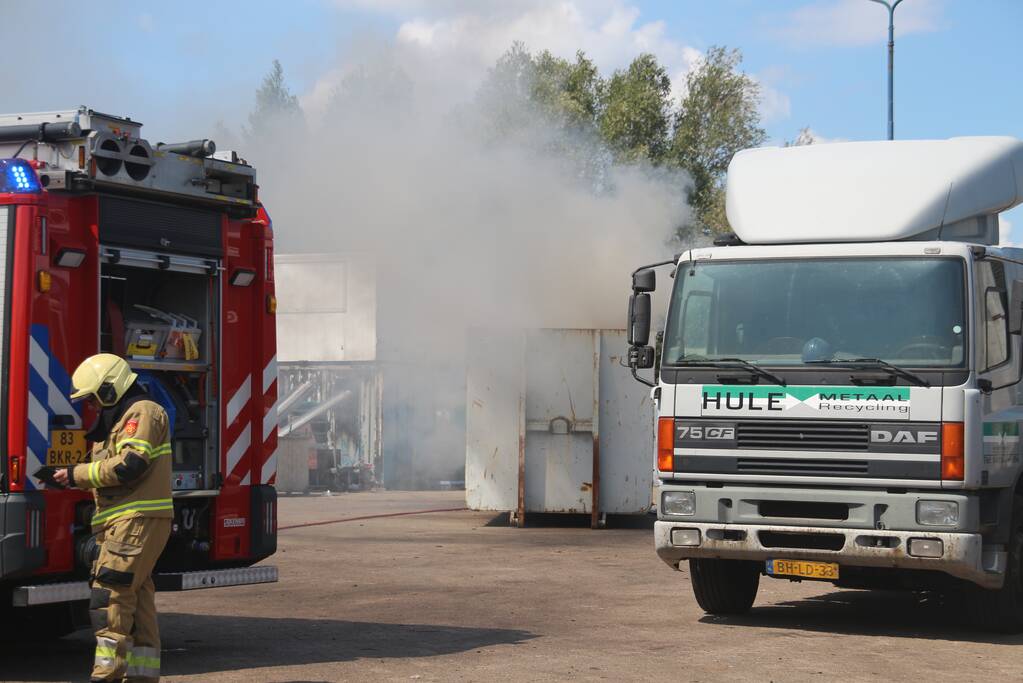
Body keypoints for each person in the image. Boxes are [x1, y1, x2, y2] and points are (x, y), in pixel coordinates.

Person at [53, 353, 173, 683]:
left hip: (136, 520)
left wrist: (78, 473)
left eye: (93, 398)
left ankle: (106, 675)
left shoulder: (141, 412)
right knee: (138, 598)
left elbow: (129, 465)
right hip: (128, 521)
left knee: (110, 597)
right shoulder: (122, 417)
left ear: (109, 388)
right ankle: (141, 676)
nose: (92, 406)